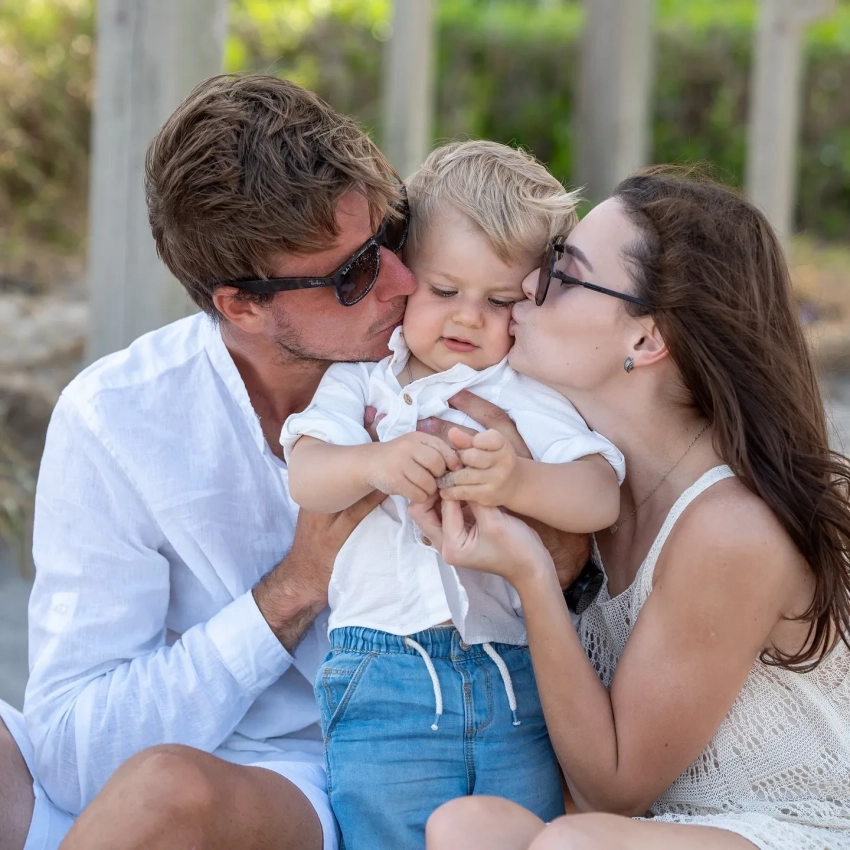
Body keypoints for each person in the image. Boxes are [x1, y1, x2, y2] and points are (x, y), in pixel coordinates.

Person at [0, 75, 588, 850]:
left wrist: (549, 529)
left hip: (340, 768)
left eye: (392, 232)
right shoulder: (117, 419)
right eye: (352, 275)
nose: (402, 280)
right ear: (240, 306)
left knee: (165, 793)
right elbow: (73, 753)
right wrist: (295, 587)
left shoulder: (486, 367)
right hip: (187, 749)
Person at [415, 166, 850, 850]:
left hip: (801, 825)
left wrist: (532, 573)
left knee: (572, 846)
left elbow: (612, 789)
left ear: (646, 341)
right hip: (657, 831)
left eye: (564, 271)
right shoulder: (573, 480)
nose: (527, 284)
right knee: (464, 825)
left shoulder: (731, 524)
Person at [282, 140, 624, 849]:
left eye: (500, 301)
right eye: (444, 292)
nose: (468, 319)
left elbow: (599, 495)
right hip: (380, 674)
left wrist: (520, 479)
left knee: (519, 835)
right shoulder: (366, 380)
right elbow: (305, 474)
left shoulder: (523, 390)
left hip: (511, 672)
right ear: (403, 274)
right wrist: (375, 461)